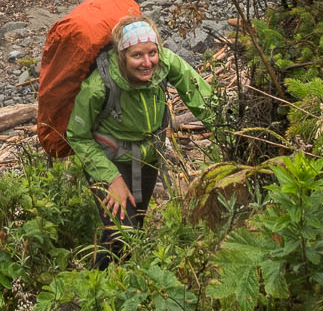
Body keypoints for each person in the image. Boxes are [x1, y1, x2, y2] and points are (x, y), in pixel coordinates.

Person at [64, 16, 216, 265]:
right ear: (122, 55)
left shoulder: (165, 63)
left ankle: (121, 280)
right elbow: (77, 136)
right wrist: (111, 179)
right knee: (123, 234)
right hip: (109, 161)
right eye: (137, 56)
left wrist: (230, 131)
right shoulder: (99, 86)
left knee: (136, 224)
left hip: (147, 157)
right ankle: (98, 291)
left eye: (152, 53)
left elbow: (200, 96)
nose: (148, 63)